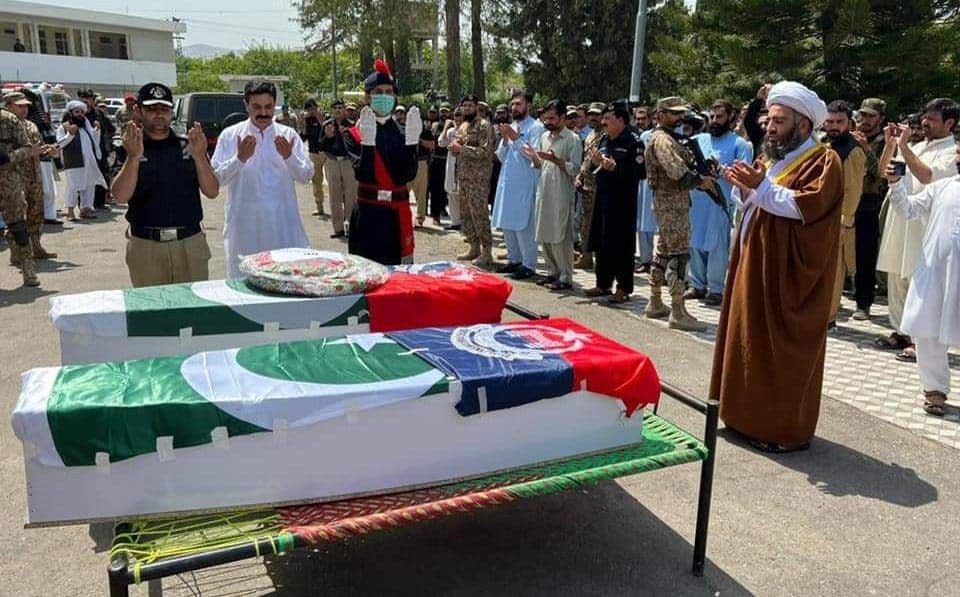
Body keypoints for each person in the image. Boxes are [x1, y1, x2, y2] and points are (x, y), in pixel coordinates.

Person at [712, 80, 843, 452]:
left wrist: (761, 188)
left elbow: (808, 207)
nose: (769, 127)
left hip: (788, 274)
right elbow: (755, 203)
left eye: (779, 121)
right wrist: (743, 186)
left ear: (803, 125)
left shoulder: (824, 160)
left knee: (779, 349)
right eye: (769, 119)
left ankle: (781, 430)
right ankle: (743, 416)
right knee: (748, 337)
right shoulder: (771, 157)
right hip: (755, 263)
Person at [110, 83, 219, 287]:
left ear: (171, 113)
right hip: (146, 247)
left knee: (192, 312)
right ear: (138, 111)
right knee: (152, 314)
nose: (159, 115)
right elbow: (120, 196)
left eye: (164, 109)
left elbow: (212, 191)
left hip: (189, 244)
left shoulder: (188, 146)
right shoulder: (130, 145)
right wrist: (133, 157)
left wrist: (200, 157)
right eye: (151, 109)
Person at [875, 98, 958, 362]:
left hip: (925, 225)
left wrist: (903, 147)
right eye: (924, 117)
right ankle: (901, 330)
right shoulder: (917, 146)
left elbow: (926, 176)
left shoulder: (951, 151)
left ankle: (918, 340)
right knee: (896, 277)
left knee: (918, 282)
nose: (924, 122)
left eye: (932, 119)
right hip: (901, 217)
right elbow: (883, 172)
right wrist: (890, 146)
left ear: (950, 123)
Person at [883, 144, 960, 417]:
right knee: (928, 333)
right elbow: (909, 209)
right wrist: (895, 184)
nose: (958, 155)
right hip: (935, 271)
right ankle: (935, 390)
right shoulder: (943, 187)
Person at [211, 79, 314, 278]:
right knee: (244, 288)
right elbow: (216, 180)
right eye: (256, 107)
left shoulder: (288, 135)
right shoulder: (231, 136)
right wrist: (239, 159)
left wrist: (289, 156)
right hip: (244, 228)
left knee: (284, 283)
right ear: (246, 105)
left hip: (283, 227)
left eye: (268, 107)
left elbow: (306, 176)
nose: (264, 113)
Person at [644, 97, 712, 332]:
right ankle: (678, 310)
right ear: (660, 115)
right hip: (671, 205)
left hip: (669, 204)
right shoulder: (663, 140)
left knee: (663, 251)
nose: (679, 118)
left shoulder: (667, 137)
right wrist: (701, 182)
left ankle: (655, 301)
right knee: (679, 255)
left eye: (680, 113)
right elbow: (678, 174)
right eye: (673, 114)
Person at [345, 60, 421, 265]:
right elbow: (364, 175)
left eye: (389, 91)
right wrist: (368, 144)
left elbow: (407, 175)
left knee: (399, 276)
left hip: (397, 216)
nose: (385, 96)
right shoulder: (354, 134)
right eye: (378, 91)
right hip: (369, 216)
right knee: (368, 275)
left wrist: (412, 143)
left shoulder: (401, 130)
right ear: (368, 96)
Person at [686, 100, 753, 306]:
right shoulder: (698, 139)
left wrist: (722, 170)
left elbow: (745, 174)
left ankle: (716, 289)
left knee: (717, 246)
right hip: (697, 201)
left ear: (731, 117)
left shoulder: (739, 144)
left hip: (720, 204)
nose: (715, 121)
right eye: (713, 117)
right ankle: (697, 285)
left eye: (720, 117)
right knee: (694, 242)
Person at [585, 101, 644, 303]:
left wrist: (616, 168)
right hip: (603, 197)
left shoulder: (633, 142)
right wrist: (595, 162)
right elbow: (595, 164)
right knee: (602, 242)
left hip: (623, 203)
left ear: (620, 120)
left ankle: (623, 288)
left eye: (608, 119)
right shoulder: (603, 139)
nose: (603, 122)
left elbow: (640, 172)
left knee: (622, 245)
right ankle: (603, 284)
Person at [522, 100, 582, 290]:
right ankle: (552, 272)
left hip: (561, 193)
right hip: (544, 191)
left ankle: (565, 277)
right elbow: (540, 165)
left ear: (563, 118)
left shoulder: (572, 139)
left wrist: (557, 161)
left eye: (552, 118)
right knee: (544, 232)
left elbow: (576, 169)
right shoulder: (544, 136)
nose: (547, 122)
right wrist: (534, 157)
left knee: (560, 235)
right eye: (545, 118)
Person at [492, 89, 544, 280]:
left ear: (528, 106)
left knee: (524, 225)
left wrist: (515, 138)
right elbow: (499, 155)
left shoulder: (536, 127)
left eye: (518, 104)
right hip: (508, 182)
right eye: (512, 104)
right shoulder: (511, 125)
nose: (514, 108)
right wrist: (506, 140)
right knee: (508, 223)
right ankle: (514, 260)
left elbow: (535, 155)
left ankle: (529, 264)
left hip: (525, 182)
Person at [823, 100, 866, 328]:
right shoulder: (821, 144)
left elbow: (853, 191)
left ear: (849, 123)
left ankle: (828, 317)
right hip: (816, 217)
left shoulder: (853, 151)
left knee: (834, 271)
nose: (834, 126)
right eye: (830, 121)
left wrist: (844, 223)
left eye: (839, 122)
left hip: (838, 221)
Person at [4, 92, 57, 261]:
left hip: (34, 175)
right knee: (17, 216)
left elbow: (37, 148)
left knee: (36, 211)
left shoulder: (30, 125)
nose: (24, 109)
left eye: (26, 106)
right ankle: (16, 249)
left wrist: (48, 151)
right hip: (13, 178)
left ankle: (36, 246)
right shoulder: (5, 125)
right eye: (20, 106)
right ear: (8, 106)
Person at [850, 98, 887, 321]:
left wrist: (866, 149)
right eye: (863, 115)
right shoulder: (850, 137)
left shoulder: (885, 142)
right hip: (847, 200)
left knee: (865, 254)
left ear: (880, 119)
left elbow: (881, 174)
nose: (865, 120)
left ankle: (863, 302)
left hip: (869, 203)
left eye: (871, 116)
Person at [0, 97, 43, 286]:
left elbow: (28, 148)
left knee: (18, 224)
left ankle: (28, 267)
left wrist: (8, 157)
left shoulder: (8, 119)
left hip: (8, 180)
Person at [449, 94, 495, 265]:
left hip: (479, 180)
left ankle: (487, 252)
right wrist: (454, 148)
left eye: (470, 105)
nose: (466, 108)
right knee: (466, 214)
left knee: (480, 214)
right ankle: (473, 247)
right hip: (464, 178)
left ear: (476, 107)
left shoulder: (484, 126)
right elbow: (459, 149)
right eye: (464, 106)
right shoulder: (464, 126)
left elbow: (485, 151)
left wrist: (461, 149)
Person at [56, 100, 106, 222]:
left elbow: (94, 139)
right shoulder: (64, 127)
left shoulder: (86, 125)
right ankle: (70, 211)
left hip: (89, 161)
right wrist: (70, 134)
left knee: (89, 185)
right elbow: (60, 144)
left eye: (81, 112)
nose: (79, 114)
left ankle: (86, 209)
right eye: (76, 112)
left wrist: (97, 130)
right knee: (73, 186)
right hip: (74, 162)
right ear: (71, 113)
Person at [574, 101, 606, 270]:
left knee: (599, 226)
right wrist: (579, 176)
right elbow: (585, 160)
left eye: (597, 114)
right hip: (587, 186)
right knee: (585, 224)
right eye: (591, 114)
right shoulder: (590, 135)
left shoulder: (607, 135)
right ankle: (586, 257)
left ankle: (601, 260)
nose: (593, 117)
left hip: (600, 187)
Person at [320, 99, 357, 238]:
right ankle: (338, 228)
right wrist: (328, 137)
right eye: (335, 108)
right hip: (332, 161)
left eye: (340, 107)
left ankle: (352, 227)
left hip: (348, 162)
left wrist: (345, 134)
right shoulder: (326, 125)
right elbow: (321, 146)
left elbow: (357, 145)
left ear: (345, 110)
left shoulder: (352, 125)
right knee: (334, 195)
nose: (338, 110)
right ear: (332, 110)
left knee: (351, 196)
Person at [77, 88, 114, 210]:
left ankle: (99, 202)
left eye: (88, 99)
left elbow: (110, 129)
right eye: (83, 99)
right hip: (83, 152)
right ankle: (84, 204)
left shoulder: (98, 113)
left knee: (102, 175)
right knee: (83, 178)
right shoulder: (75, 113)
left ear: (93, 100)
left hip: (99, 151)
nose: (85, 101)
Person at [408, 105, 435, 227]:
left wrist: (418, 140)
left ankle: (420, 219)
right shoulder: (404, 128)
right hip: (407, 162)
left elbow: (432, 145)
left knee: (421, 192)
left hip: (421, 162)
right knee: (403, 191)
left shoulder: (426, 130)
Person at [301, 98, 327, 217]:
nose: (313, 111)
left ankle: (339, 206)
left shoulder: (324, 117)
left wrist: (320, 119)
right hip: (314, 154)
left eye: (314, 108)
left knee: (334, 181)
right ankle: (319, 206)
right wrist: (303, 124)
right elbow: (303, 138)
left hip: (327, 153)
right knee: (316, 181)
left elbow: (328, 132)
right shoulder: (307, 120)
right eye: (310, 109)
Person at [439, 109, 463, 231]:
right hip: (451, 164)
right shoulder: (450, 131)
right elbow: (441, 143)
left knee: (463, 195)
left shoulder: (469, 131)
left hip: (463, 165)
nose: (458, 123)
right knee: (452, 194)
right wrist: (445, 128)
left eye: (460, 121)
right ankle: (455, 222)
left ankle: (465, 222)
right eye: (456, 120)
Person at [426, 105, 448, 226]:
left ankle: (443, 208)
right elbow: (437, 142)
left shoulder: (456, 125)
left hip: (450, 160)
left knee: (447, 189)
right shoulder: (435, 126)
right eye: (442, 112)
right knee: (435, 189)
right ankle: (436, 215)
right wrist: (445, 128)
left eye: (446, 112)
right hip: (436, 160)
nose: (444, 114)